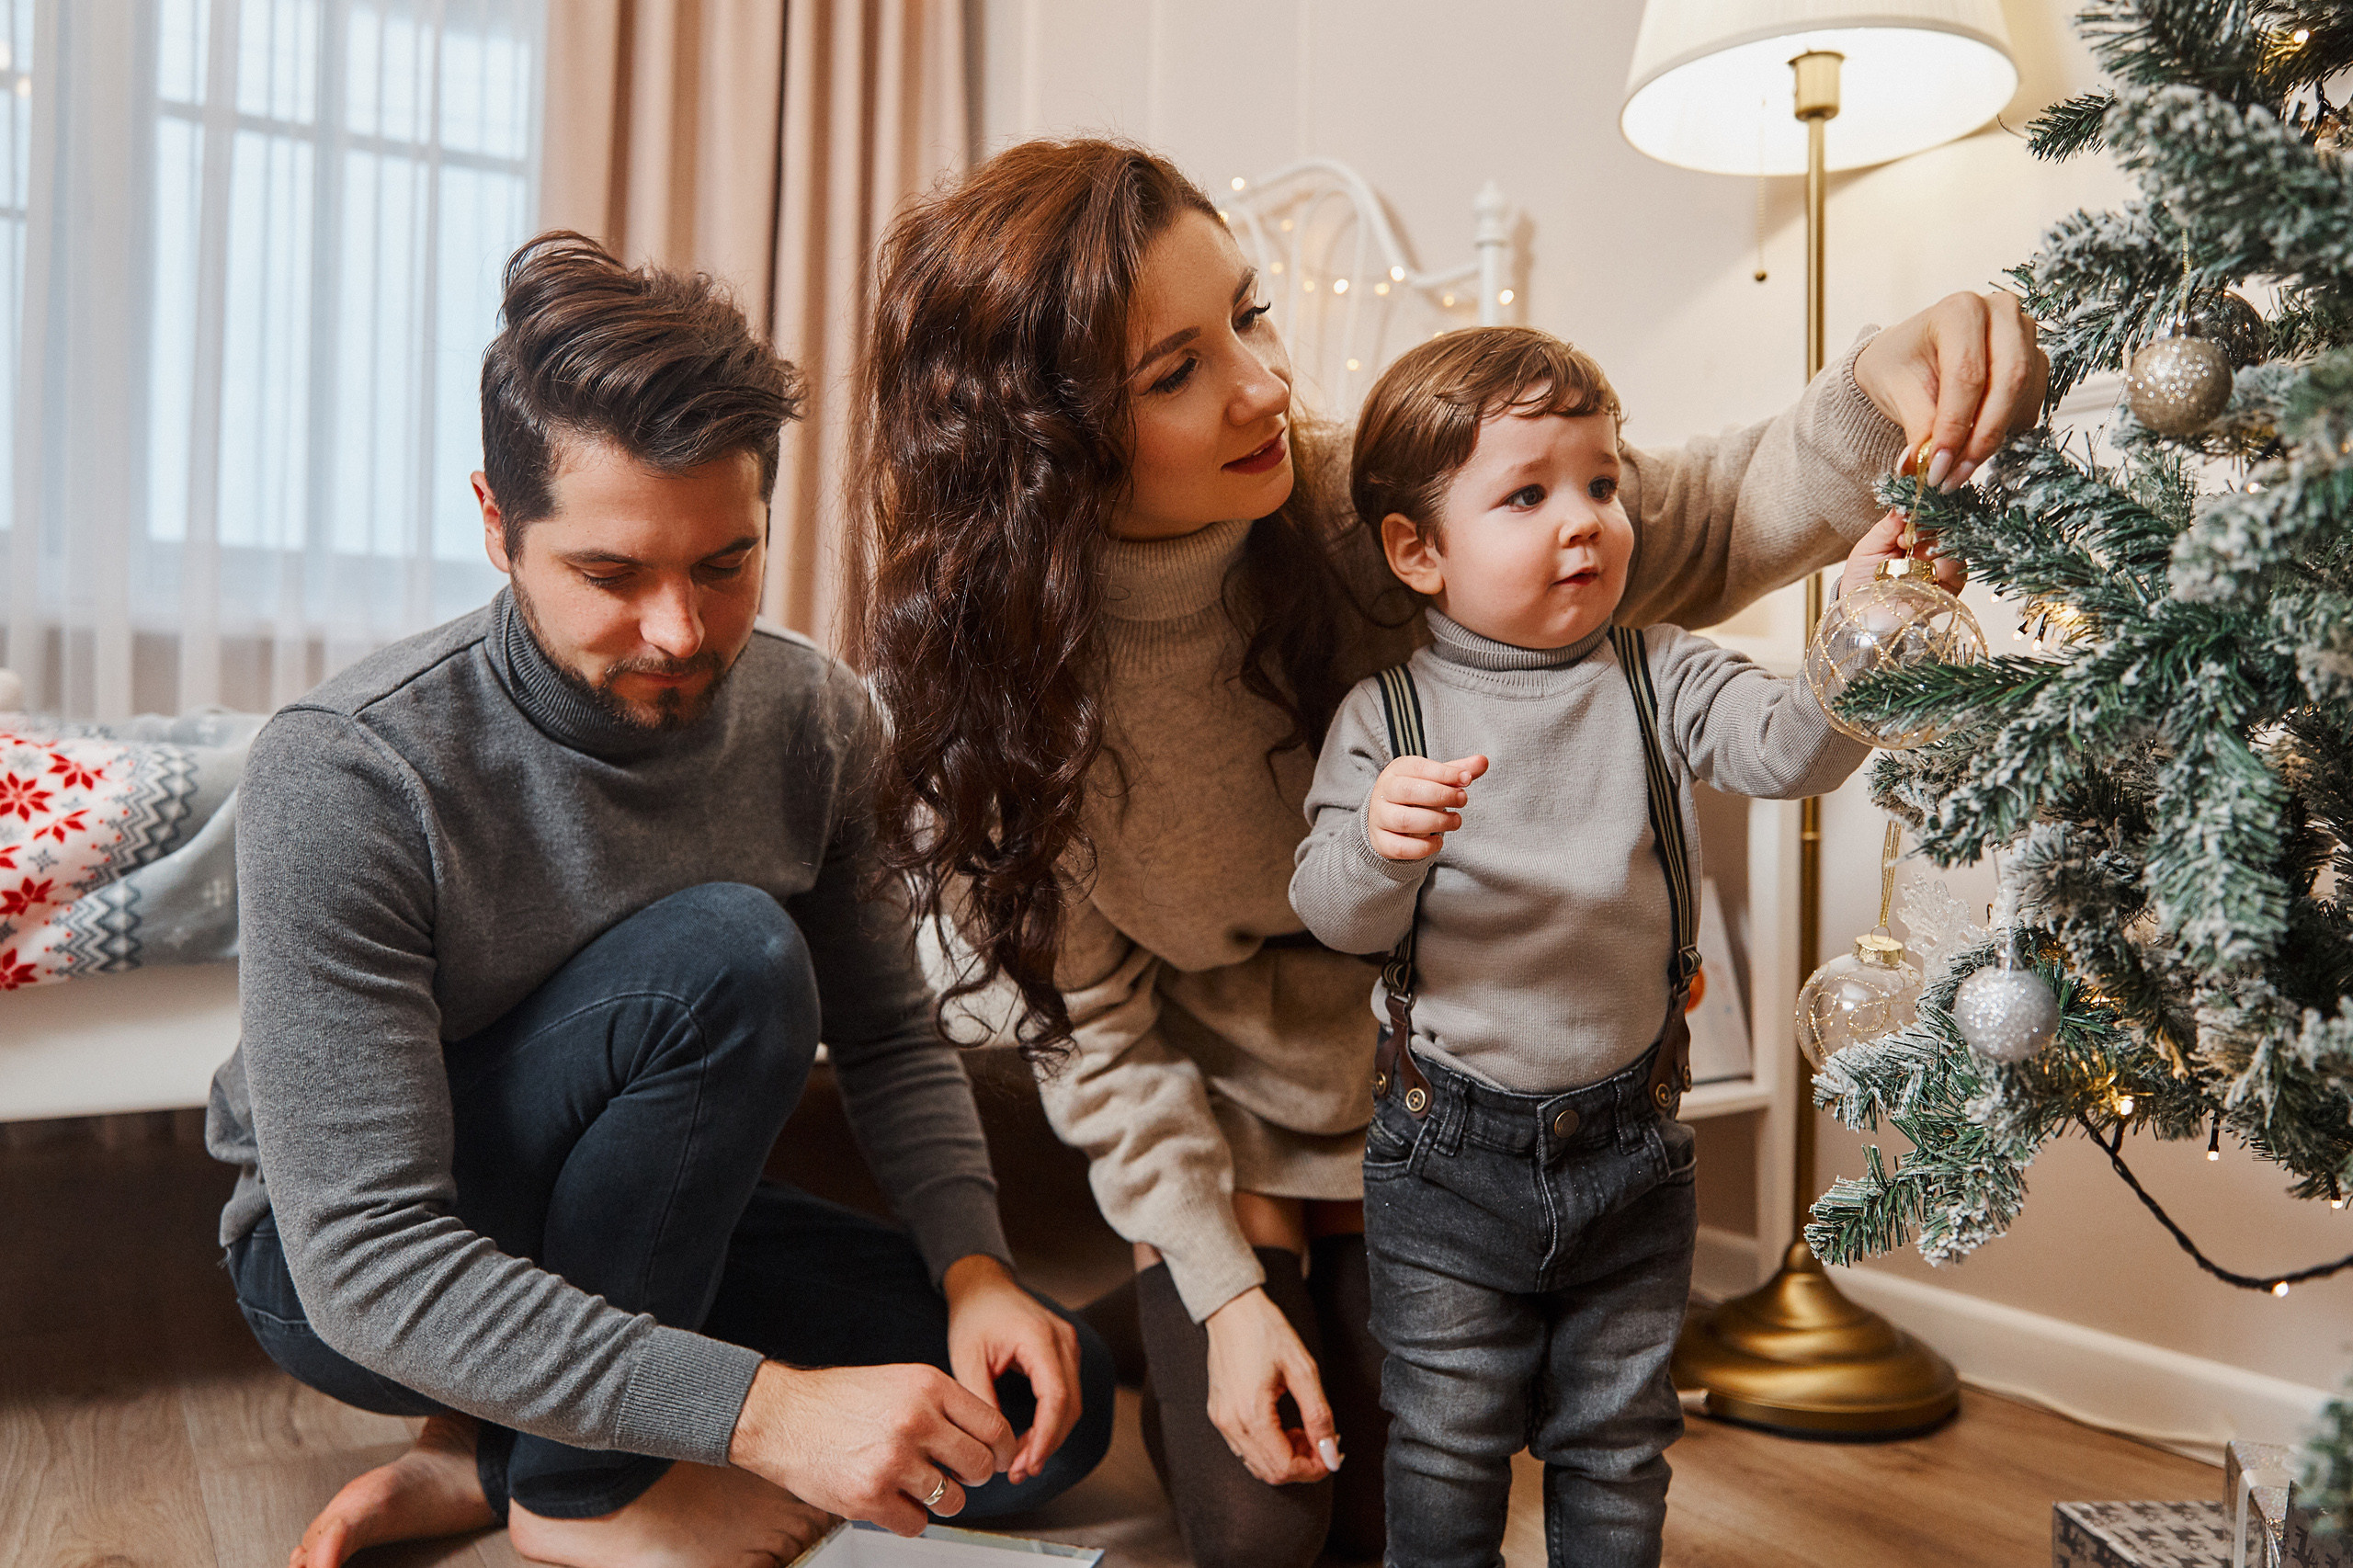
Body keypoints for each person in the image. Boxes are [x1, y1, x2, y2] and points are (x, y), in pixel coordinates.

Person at [847, 137, 2043, 1568]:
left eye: (1250, 315)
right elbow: (1095, 1026)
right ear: (1042, 444)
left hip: (1435, 1105)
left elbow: (1696, 516)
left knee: (1397, 1502)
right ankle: (1168, 1292)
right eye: (1176, 372)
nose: (1264, 388)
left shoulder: (1356, 503)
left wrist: (1870, 389)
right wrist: (1226, 1296)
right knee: (1261, 1529)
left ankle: (1219, 1286)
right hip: (1228, 1122)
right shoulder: (1009, 701)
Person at [205, 233, 1113, 1568]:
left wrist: (976, 1265)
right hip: (356, 1261)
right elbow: (367, 1252)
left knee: (1035, 1420)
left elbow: (890, 1037)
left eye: (724, 564)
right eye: (612, 575)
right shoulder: (346, 768)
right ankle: (580, 1492)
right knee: (729, 956)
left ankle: (483, 1452)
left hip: (648, 1218)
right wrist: (768, 1416)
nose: (681, 632)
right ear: (496, 524)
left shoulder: (815, 715)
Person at [1291, 326, 1899, 1567]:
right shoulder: (1385, 715)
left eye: (1604, 484)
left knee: (1619, 1440)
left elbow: (1788, 749)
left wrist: (1862, 628)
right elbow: (1331, 910)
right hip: (1447, 1153)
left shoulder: (1658, 670)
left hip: (1632, 1145)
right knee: (1447, 1442)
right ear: (1418, 549)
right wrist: (1380, 844)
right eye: (1528, 494)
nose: (1586, 521)